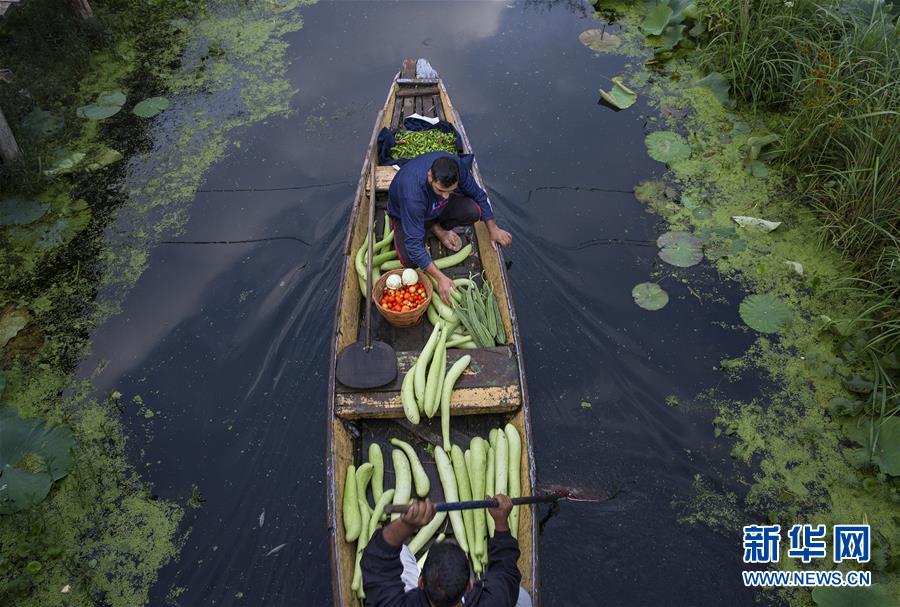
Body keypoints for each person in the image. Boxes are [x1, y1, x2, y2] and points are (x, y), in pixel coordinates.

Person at [387, 151, 513, 305]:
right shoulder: (412, 194)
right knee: (409, 260)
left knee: (473, 211)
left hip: (433, 208)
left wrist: (493, 229)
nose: (445, 196)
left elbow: (479, 195)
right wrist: (440, 278)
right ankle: (433, 226)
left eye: (451, 191)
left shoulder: (456, 166)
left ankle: (436, 226)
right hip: (406, 214)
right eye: (440, 190)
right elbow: (413, 245)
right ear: (430, 177)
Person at [361, 494, 530, 607]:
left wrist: (407, 524)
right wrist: (501, 522)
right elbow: (506, 574)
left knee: (402, 553)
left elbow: (376, 561)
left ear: (420, 582)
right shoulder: (494, 601)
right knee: (522, 598)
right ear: (469, 585)